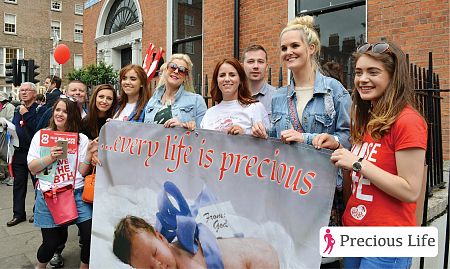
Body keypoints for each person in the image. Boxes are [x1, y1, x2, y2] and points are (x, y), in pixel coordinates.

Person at [312, 41, 427, 269]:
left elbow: (410, 189)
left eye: (373, 72)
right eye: (358, 72)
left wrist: (356, 162)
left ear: (393, 77)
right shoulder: (367, 121)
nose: (362, 79)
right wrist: (337, 148)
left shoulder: (408, 121)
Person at [251, 15, 351, 268]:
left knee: (324, 261)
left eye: (294, 46)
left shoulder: (334, 90)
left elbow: (349, 140)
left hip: (324, 195)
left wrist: (305, 138)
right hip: (289, 192)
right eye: (284, 48)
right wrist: (264, 134)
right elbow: (277, 138)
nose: (288, 52)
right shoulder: (279, 96)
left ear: (311, 48)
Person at [27, 96, 96, 269]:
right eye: (57, 110)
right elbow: (33, 168)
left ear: (73, 115)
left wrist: (88, 154)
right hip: (49, 195)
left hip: (76, 193)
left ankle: (84, 266)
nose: (60, 114)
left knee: (89, 236)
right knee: (51, 244)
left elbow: (81, 171)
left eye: (65, 111)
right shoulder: (41, 136)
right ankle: (40, 266)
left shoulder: (81, 139)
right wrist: (51, 156)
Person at [112, 215, 279, 269]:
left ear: (161, 238)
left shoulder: (185, 259)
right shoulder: (173, 254)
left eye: (155, 253)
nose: (158, 266)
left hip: (259, 258)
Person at [200, 58, 270, 135]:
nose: (227, 79)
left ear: (240, 80)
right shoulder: (209, 113)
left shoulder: (255, 108)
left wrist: (244, 134)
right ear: (216, 80)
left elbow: (267, 142)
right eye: (222, 75)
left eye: (232, 75)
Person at [6, 82, 40, 227]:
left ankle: (37, 211)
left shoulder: (39, 109)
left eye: (27, 90)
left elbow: (38, 128)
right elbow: (15, 125)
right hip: (19, 153)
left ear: (34, 93)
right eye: (22, 90)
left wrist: (26, 114)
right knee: (18, 184)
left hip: (34, 154)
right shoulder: (16, 109)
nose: (24, 92)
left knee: (37, 184)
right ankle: (18, 214)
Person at [144, 53, 207, 130]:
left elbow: (205, 135)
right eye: (173, 67)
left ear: (186, 77)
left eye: (182, 70)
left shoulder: (197, 101)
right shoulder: (152, 101)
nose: (176, 71)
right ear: (166, 69)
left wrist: (182, 127)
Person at [242, 45, 276, 116]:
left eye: (260, 61)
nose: (256, 66)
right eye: (251, 61)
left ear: (266, 67)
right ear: (242, 66)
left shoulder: (277, 97)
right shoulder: (233, 97)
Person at [0, 91, 15, 185]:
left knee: (7, 155)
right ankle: (6, 175)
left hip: (6, 133)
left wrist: (2, 122)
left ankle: (11, 177)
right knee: (2, 155)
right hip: (2, 132)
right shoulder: (2, 106)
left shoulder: (10, 107)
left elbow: (10, 121)